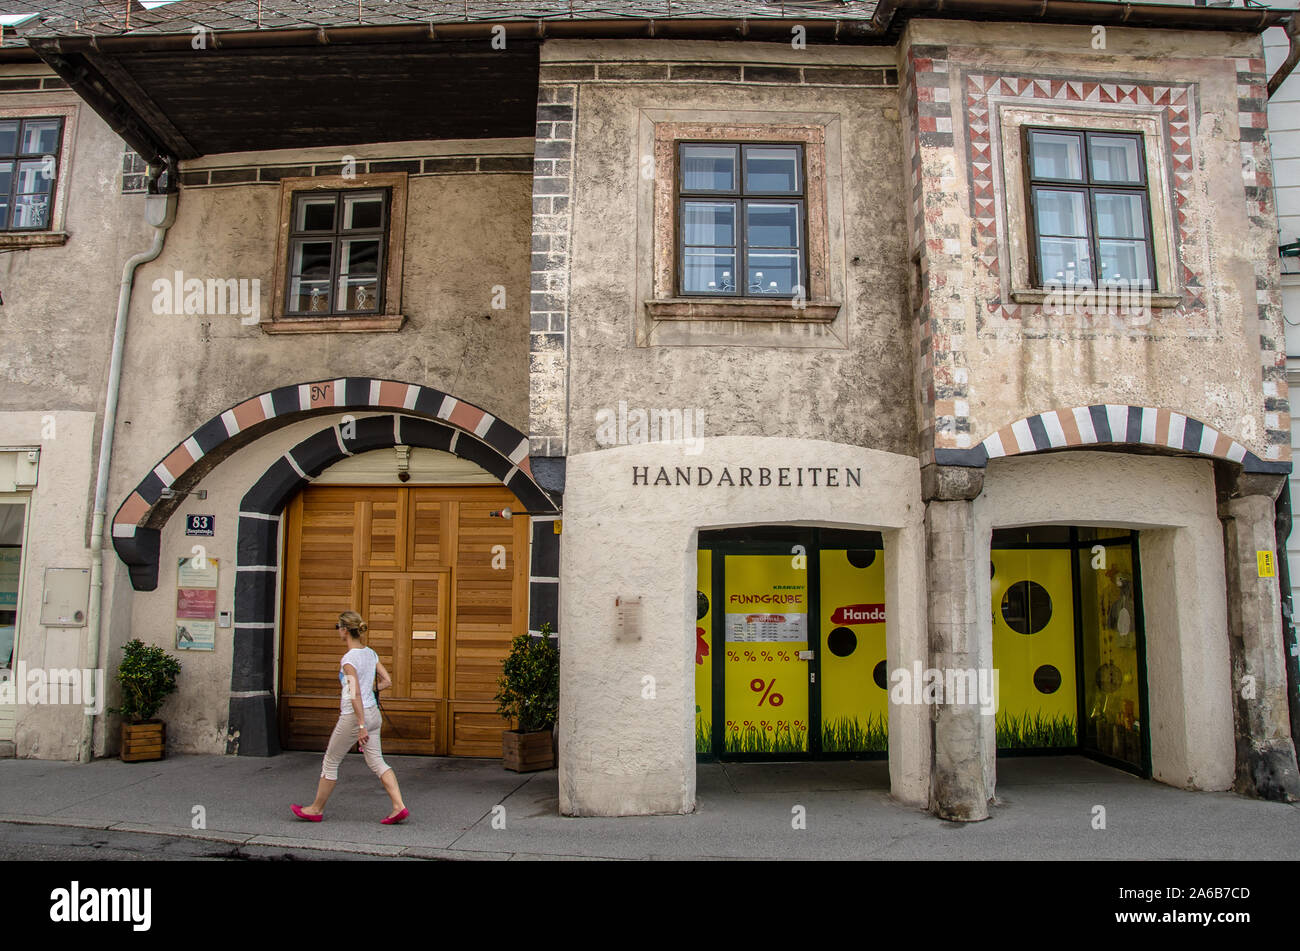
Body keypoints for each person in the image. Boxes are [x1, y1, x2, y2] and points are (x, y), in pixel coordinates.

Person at [291, 611, 409, 824]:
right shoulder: (370, 653)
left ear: (345, 630)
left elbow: (354, 694)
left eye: (338, 627)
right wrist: (370, 693)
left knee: (331, 761)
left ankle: (316, 809)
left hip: (354, 716)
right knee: (378, 761)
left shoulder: (348, 659)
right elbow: (387, 681)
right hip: (373, 713)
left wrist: (361, 725)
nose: (338, 631)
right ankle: (398, 806)